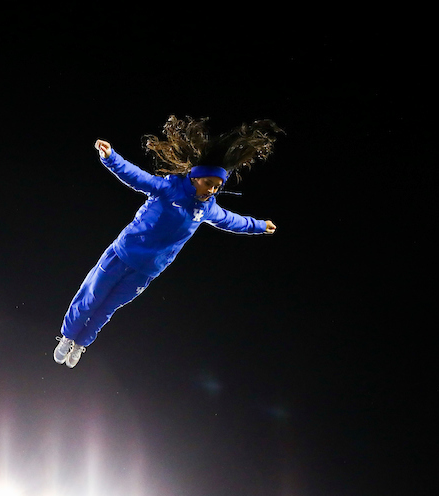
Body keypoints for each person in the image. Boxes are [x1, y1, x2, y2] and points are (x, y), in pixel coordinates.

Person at [53, 116, 280, 368]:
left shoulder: (207, 209)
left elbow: (231, 220)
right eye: (208, 184)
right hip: (123, 254)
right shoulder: (168, 188)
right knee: (92, 297)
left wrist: (259, 226)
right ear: (195, 177)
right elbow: (136, 177)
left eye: (217, 187)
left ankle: (82, 343)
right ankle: (67, 336)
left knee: (108, 309)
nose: (212, 191)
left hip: (147, 270)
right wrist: (110, 158)